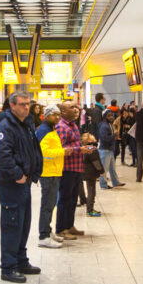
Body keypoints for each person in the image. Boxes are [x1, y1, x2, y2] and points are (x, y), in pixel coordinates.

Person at [0, 92, 43, 283]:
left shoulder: (25, 124)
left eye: (28, 104)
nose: (26, 107)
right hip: (12, 183)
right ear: (12, 106)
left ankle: (21, 260)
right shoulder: (6, 127)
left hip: (25, 182)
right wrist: (18, 174)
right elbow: (4, 156)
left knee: (23, 224)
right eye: (22, 104)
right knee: (12, 224)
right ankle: (8, 267)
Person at [55, 101, 92, 239]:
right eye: (72, 107)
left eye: (76, 107)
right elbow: (61, 149)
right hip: (67, 168)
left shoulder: (73, 125)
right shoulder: (61, 127)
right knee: (65, 199)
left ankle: (69, 225)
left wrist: (84, 145)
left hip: (77, 167)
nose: (76, 109)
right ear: (63, 112)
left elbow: (74, 143)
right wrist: (79, 149)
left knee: (72, 199)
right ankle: (61, 228)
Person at [36, 104, 65, 248]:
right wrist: (63, 152)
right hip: (48, 172)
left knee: (51, 204)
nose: (58, 117)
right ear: (47, 115)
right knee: (47, 205)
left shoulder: (51, 129)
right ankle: (43, 236)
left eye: (59, 115)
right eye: (54, 114)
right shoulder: (43, 131)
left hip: (54, 170)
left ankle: (48, 231)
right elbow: (44, 152)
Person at [98, 108, 124, 189]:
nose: (111, 117)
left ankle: (115, 182)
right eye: (109, 116)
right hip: (105, 150)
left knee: (112, 169)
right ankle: (103, 185)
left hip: (110, 150)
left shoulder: (109, 124)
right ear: (104, 117)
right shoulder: (104, 126)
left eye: (112, 115)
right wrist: (114, 136)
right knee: (104, 170)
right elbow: (104, 138)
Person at [81, 133, 103, 217]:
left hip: (84, 172)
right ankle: (90, 210)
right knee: (91, 191)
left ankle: (88, 207)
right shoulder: (92, 149)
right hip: (90, 173)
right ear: (89, 140)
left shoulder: (84, 148)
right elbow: (96, 162)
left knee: (89, 189)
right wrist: (101, 171)